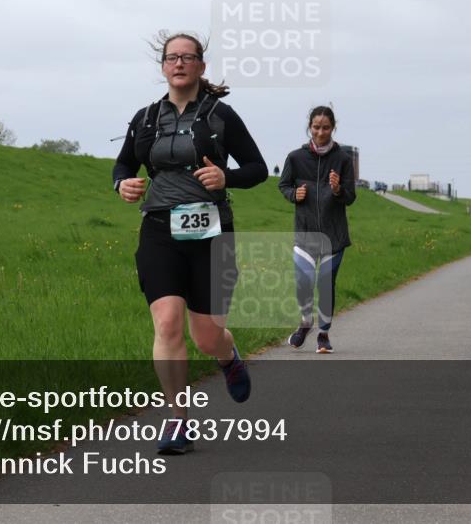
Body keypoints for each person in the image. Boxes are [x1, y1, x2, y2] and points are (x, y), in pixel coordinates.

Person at [113, 32, 268, 454]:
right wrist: (121, 184)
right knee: (166, 322)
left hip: (210, 231)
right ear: (163, 67)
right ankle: (177, 422)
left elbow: (257, 168)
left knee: (206, 336)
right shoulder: (145, 118)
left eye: (188, 57)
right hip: (159, 229)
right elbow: (125, 162)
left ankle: (228, 355)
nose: (179, 63)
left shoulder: (222, 115)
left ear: (201, 66)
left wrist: (226, 177)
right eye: (172, 57)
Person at [278, 106, 356, 354]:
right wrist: (294, 194)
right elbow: (284, 185)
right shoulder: (295, 158)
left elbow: (350, 197)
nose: (320, 132)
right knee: (303, 282)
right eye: (316, 127)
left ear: (333, 128)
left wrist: (337, 190)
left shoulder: (343, 159)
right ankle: (305, 323)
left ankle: (323, 334)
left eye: (325, 127)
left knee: (325, 283)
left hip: (334, 235)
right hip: (305, 233)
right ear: (309, 127)